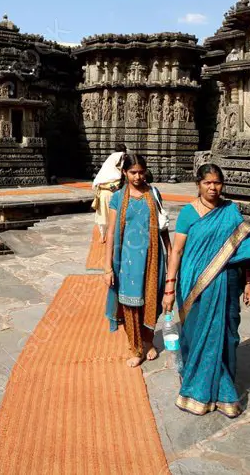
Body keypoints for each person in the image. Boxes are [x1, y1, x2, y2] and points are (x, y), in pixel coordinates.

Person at [163, 162, 250, 417]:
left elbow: (244, 250)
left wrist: (249, 282)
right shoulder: (188, 213)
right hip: (194, 284)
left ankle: (223, 391)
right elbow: (176, 251)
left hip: (228, 282)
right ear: (198, 184)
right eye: (207, 182)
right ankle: (196, 390)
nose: (212, 187)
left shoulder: (231, 211)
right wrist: (169, 286)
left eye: (217, 182)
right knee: (197, 334)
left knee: (227, 335)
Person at [103, 153, 170, 368]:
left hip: (152, 257)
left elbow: (163, 227)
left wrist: (170, 258)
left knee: (151, 299)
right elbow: (111, 231)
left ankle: (148, 340)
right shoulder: (118, 198)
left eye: (141, 172)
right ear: (124, 172)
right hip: (127, 259)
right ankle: (135, 347)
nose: (138, 176)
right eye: (133, 172)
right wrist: (107, 267)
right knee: (130, 303)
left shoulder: (154, 193)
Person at [91, 143, 128, 242]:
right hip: (108, 193)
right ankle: (104, 235)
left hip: (112, 193)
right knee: (106, 215)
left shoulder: (111, 160)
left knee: (111, 215)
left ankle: (108, 235)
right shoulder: (118, 158)